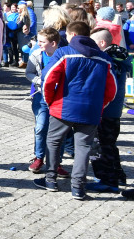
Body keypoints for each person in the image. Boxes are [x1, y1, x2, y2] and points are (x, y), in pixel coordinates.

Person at [36, 21, 117, 200]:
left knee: (54, 142)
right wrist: (100, 105)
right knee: (84, 148)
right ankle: (78, 188)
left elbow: (47, 79)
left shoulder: (64, 53)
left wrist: (50, 101)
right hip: (91, 110)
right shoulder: (104, 59)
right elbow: (112, 89)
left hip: (63, 106)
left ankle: (51, 180)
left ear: (71, 35)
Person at [88, 28, 130, 193]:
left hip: (105, 110)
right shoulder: (118, 57)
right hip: (114, 110)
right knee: (109, 145)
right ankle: (117, 175)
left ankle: (107, 180)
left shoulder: (107, 60)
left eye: (93, 43)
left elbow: (105, 88)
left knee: (99, 146)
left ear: (102, 43)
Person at [25, 28, 59, 173]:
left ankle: (57, 163)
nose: (38, 44)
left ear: (53, 43)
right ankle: (39, 157)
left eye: (42, 41)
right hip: (41, 96)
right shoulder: (36, 54)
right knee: (40, 127)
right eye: (38, 41)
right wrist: (40, 81)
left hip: (59, 98)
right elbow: (29, 73)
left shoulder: (63, 55)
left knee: (59, 132)